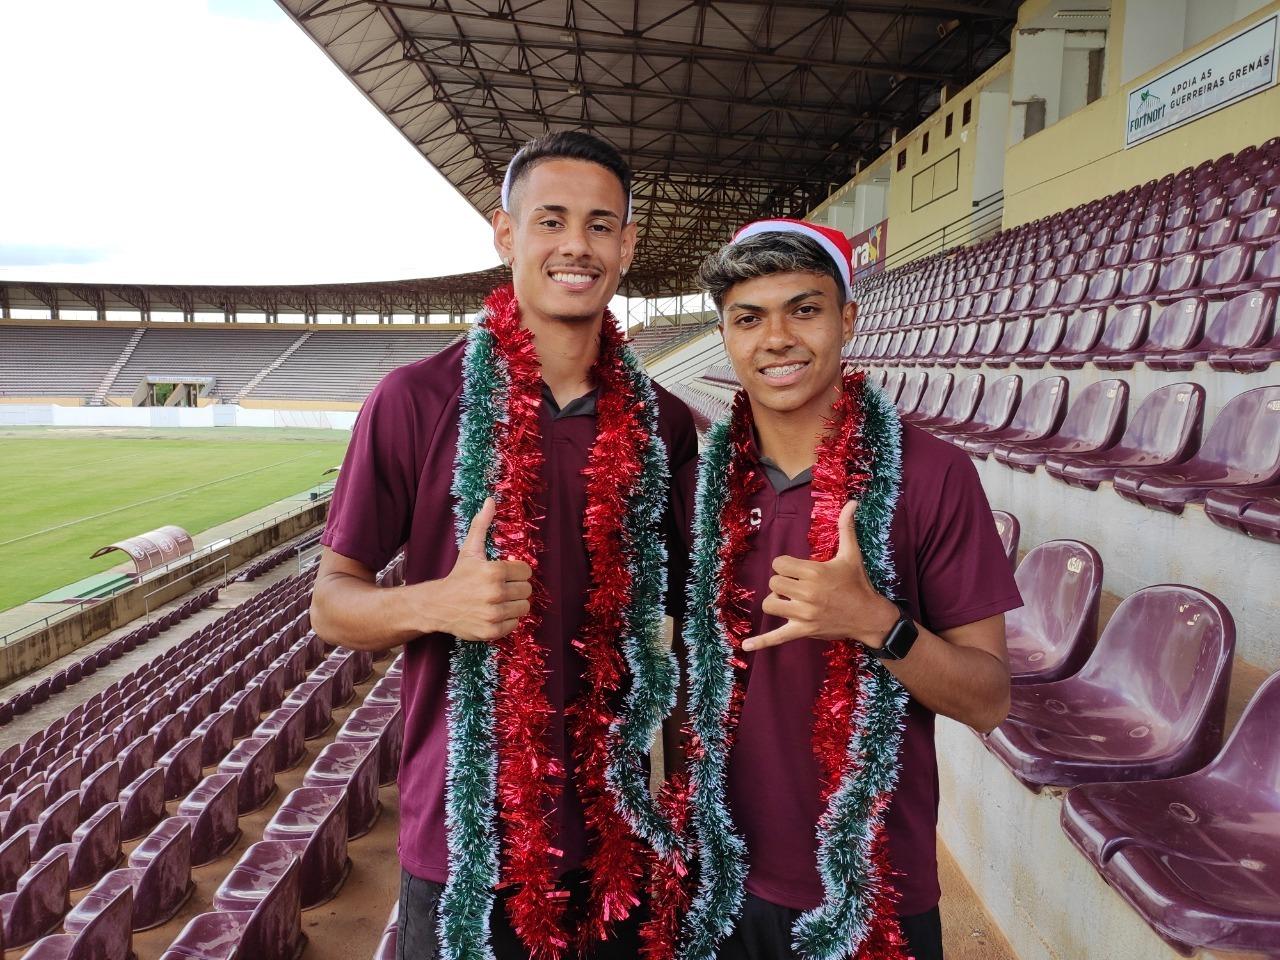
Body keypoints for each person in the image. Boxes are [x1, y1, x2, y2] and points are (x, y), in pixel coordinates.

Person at [310, 130, 697, 960]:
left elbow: (700, 622)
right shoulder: (414, 400)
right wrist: (433, 603)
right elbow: (332, 605)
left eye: (600, 225)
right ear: (504, 232)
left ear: (627, 245)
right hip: (463, 837)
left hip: (617, 835)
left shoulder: (665, 424)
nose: (575, 246)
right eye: (550, 219)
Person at [674, 219, 1021, 960]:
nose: (777, 338)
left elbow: (989, 698)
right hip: (715, 880)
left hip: (874, 894)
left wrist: (877, 623)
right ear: (726, 337)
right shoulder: (701, 486)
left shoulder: (933, 475)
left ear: (847, 319)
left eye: (804, 309)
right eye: (748, 318)